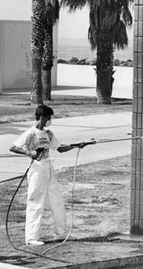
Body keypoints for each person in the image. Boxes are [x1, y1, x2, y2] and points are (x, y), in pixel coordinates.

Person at [9, 104, 85, 246]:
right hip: (36, 170)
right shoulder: (30, 133)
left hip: (49, 168)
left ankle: (61, 233)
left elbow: (60, 148)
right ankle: (31, 237)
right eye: (49, 118)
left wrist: (76, 145)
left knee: (57, 201)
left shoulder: (48, 133)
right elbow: (13, 147)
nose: (50, 120)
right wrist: (29, 152)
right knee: (36, 202)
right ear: (42, 117)